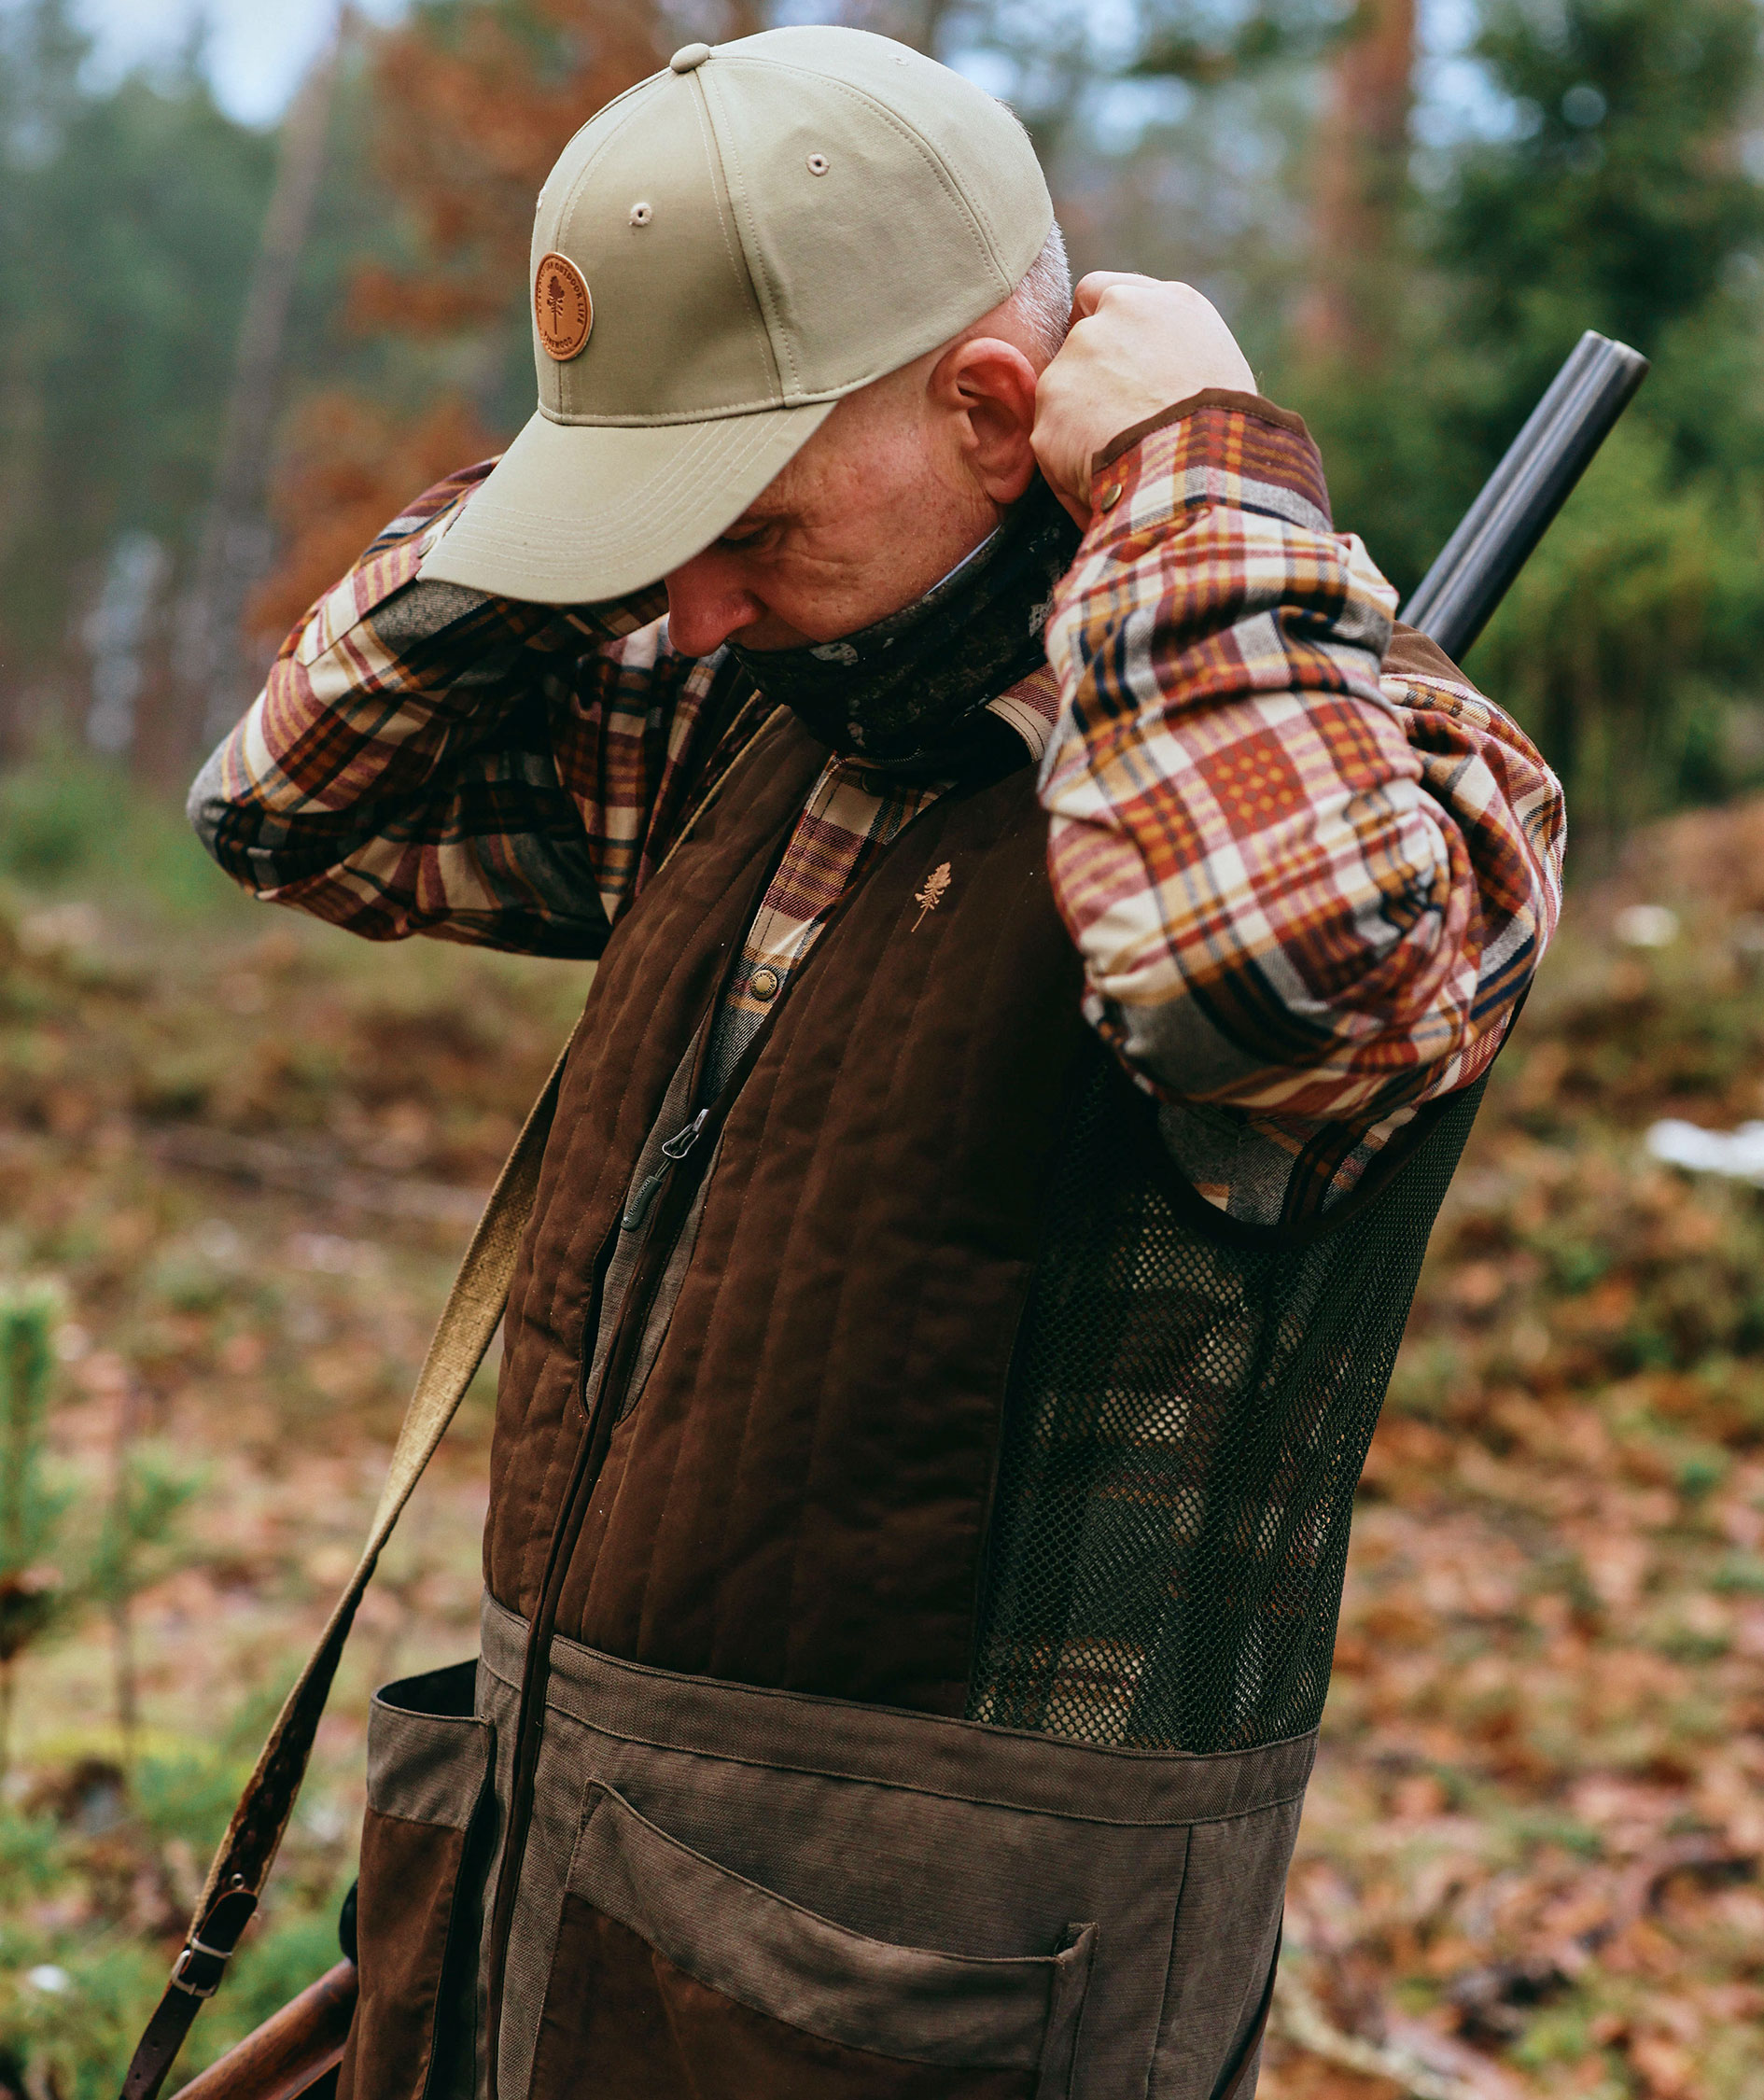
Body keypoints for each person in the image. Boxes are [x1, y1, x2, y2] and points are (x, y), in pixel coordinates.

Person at [190, 24, 1563, 2100]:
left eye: (751, 518)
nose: (696, 606)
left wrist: (1190, 466)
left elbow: (1269, 978)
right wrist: (606, 469)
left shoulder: (1396, 773)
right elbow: (292, 796)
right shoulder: (764, 706)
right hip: (563, 1920)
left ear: (1002, 412)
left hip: (928, 2013)